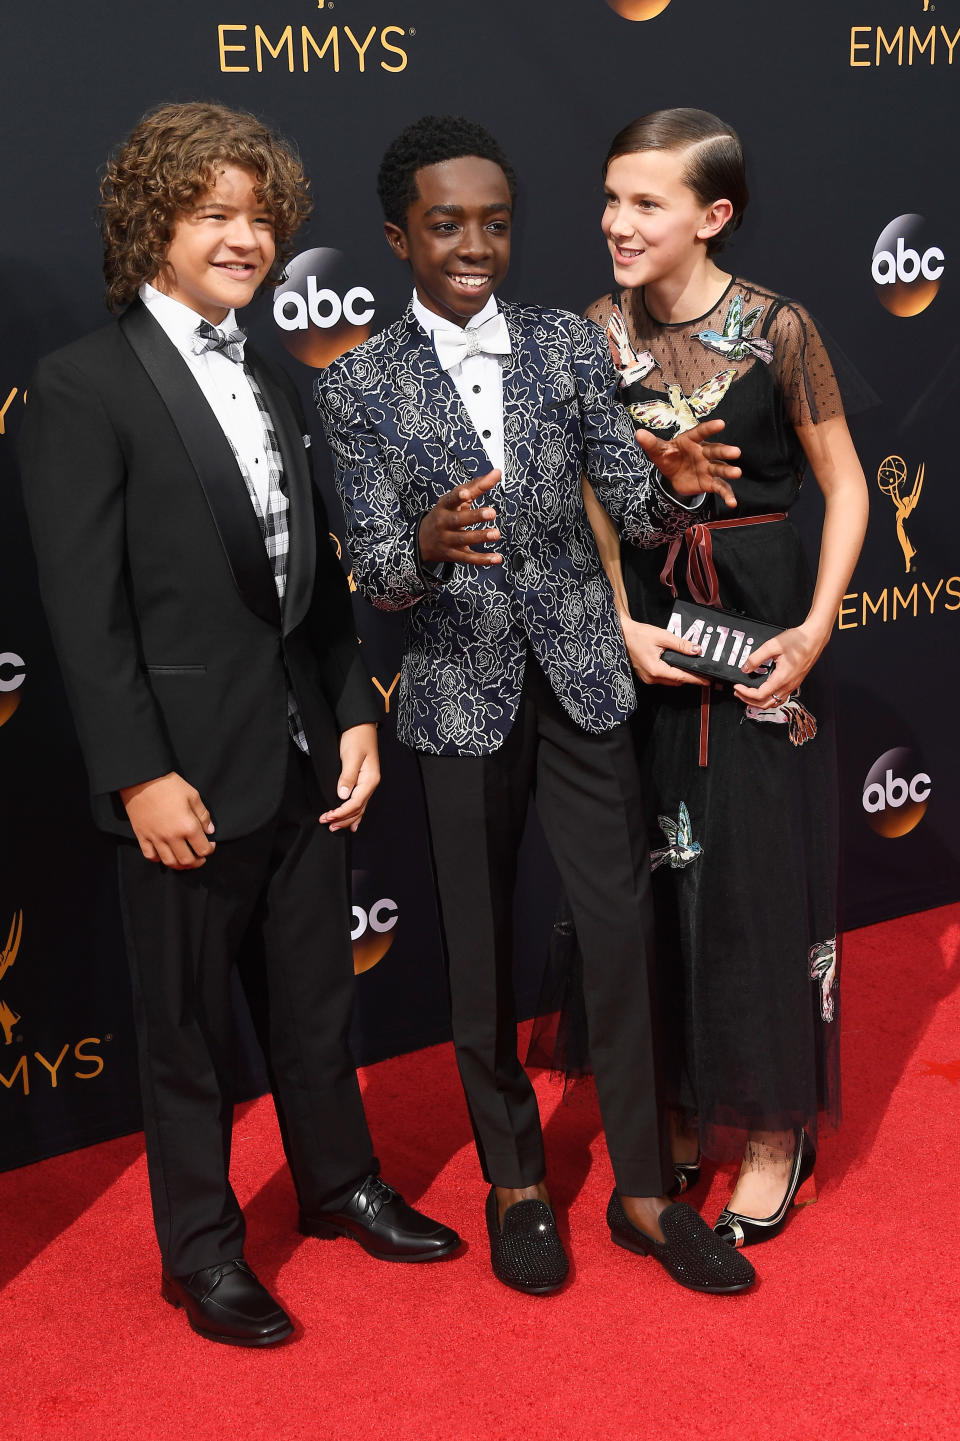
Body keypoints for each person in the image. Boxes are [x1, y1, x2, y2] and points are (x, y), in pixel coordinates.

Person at [18, 101, 460, 1349]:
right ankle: (204, 1253)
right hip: (182, 780)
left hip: (302, 757)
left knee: (317, 1001)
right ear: (149, 223)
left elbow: (301, 580)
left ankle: (338, 1187)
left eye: (260, 216)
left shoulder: (267, 368)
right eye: (214, 213)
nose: (245, 238)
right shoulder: (78, 387)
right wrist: (140, 774)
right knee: (188, 1033)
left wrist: (356, 710)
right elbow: (83, 616)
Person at [315, 114, 756, 1297]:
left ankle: (646, 1196)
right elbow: (377, 572)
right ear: (399, 233)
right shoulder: (358, 383)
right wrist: (422, 539)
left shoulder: (566, 346)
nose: (474, 244)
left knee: (618, 934)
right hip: (457, 697)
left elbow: (631, 496)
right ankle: (517, 1184)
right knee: (479, 958)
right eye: (447, 223)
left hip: (582, 680)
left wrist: (668, 488)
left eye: (495, 223)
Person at [581, 108, 869, 1247]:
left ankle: (772, 1130)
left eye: (646, 203)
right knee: (663, 869)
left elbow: (845, 483)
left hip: (763, 623)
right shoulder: (591, 334)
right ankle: (691, 1095)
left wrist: (816, 627)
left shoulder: (778, 329)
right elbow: (594, 501)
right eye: (610, 198)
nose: (616, 222)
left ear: (713, 216)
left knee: (758, 878)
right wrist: (616, 620)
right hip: (653, 627)